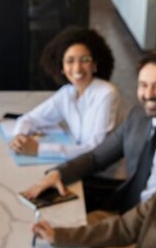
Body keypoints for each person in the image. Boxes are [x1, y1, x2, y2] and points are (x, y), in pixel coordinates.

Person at [23, 49, 156, 215]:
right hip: (127, 210)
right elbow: (96, 157)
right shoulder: (138, 117)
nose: (148, 94)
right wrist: (58, 174)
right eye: (143, 85)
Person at [8, 26, 121, 159]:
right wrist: (19, 136)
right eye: (70, 61)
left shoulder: (106, 93)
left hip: (102, 169)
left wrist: (39, 149)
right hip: (78, 162)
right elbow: (30, 119)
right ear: (62, 66)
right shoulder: (68, 92)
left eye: (85, 60)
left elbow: (95, 149)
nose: (77, 68)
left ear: (95, 64)